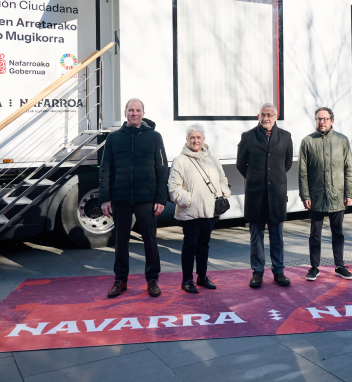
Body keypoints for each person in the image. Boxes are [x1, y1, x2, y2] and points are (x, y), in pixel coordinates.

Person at [100, 98, 168, 298]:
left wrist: (161, 199)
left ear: (143, 114)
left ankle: (153, 280)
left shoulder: (154, 137)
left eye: (138, 110)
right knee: (121, 242)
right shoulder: (114, 139)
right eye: (131, 110)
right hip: (120, 198)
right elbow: (105, 169)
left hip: (146, 198)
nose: (134, 113)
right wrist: (105, 198)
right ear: (125, 113)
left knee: (150, 240)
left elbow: (162, 170)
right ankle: (120, 280)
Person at [168, 124, 230, 293]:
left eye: (198, 137)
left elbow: (223, 180)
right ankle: (187, 280)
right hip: (190, 212)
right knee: (189, 247)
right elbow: (173, 187)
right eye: (192, 138)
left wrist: (223, 193)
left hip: (210, 211)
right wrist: (189, 199)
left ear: (203, 139)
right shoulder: (180, 160)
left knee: (204, 245)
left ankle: (202, 277)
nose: (195, 140)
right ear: (187, 140)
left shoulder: (213, 159)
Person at [236, 103, 293, 288]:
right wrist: (254, 178)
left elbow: (287, 164)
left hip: (276, 196)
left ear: (276, 117)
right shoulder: (248, 137)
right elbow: (240, 164)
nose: (266, 118)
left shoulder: (285, 137)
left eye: (269, 115)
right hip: (256, 196)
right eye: (263, 114)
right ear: (258, 116)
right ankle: (257, 272)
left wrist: (273, 179)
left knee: (277, 237)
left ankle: (279, 272)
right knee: (256, 237)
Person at [299, 107, 352, 281]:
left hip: (338, 195)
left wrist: (349, 192)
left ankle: (339, 266)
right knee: (315, 234)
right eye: (318, 119)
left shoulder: (342, 140)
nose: (321, 122)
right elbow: (303, 172)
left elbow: (349, 169)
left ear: (332, 120)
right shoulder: (308, 141)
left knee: (337, 233)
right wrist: (305, 195)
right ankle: (314, 267)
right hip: (316, 197)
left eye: (325, 119)